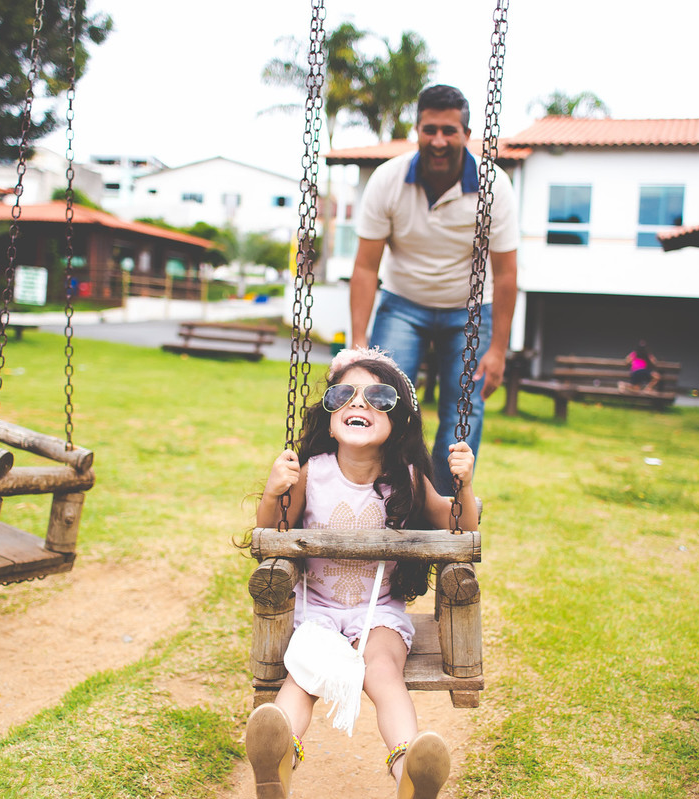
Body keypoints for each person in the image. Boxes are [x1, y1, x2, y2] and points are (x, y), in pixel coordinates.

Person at [246, 347, 479, 799]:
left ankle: (410, 769)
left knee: (383, 669)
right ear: (329, 414)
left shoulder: (408, 478)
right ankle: (278, 762)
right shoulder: (309, 473)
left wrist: (464, 486)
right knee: (304, 675)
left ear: (400, 423)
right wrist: (275, 491)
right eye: (343, 394)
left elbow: (459, 527)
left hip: (379, 612)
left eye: (378, 396)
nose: (358, 402)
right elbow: (271, 530)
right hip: (317, 611)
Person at [350, 84, 519, 495]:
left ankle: (443, 509)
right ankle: (387, 498)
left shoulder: (492, 185)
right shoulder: (389, 180)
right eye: (430, 130)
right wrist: (357, 342)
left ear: (465, 133)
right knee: (384, 398)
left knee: (463, 411)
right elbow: (365, 267)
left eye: (449, 130)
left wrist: (497, 349)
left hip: (469, 311)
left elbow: (508, 273)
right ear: (417, 130)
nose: (439, 141)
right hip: (403, 304)